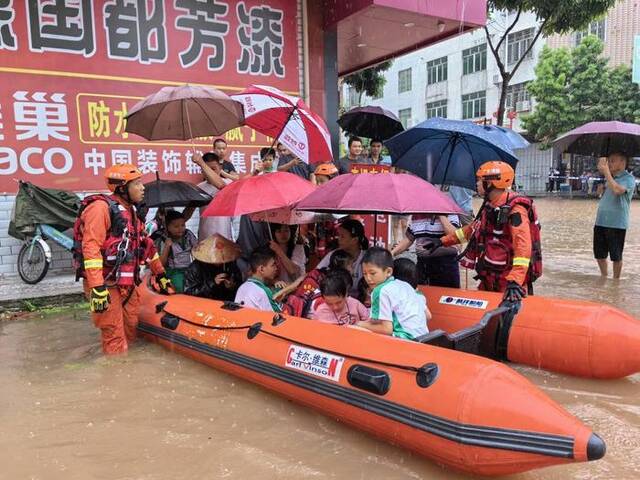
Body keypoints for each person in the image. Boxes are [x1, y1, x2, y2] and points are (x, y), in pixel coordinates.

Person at [73, 164, 173, 355]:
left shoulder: (133, 212)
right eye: (137, 183)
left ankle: (127, 369)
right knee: (114, 335)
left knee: (131, 327)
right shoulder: (100, 209)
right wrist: (97, 287)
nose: (143, 188)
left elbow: (146, 247)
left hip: (127, 284)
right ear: (122, 187)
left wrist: (160, 274)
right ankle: (116, 374)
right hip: (106, 285)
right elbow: (91, 247)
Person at [430, 161, 542, 302]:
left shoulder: (516, 210)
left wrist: (515, 280)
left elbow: (523, 246)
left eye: (479, 181)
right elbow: (471, 231)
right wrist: (442, 241)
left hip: (510, 284)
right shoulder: (490, 206)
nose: (476, 185)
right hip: (490, 278)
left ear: (490, 183)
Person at [356, 248, 430, 339]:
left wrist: (359, 324)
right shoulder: (404, 285)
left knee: (355, 329)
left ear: (388, 272)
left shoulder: (380, 291)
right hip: (424, 337)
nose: (368, 278)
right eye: (364, 274)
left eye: (372, 273)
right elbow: (428, 316)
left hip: (407, 338)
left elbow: (387, 329)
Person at [593, 153, 636, 279]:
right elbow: (605, 195)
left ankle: (616, 280)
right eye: (608, 161)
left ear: (622, 163)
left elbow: (617, 190)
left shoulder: (629, 179)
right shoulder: (609, 178)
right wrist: (600, 191)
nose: (609, 164)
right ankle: (604, 276)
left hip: (616, 223)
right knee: (599, 255)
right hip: (601, 221)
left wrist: (606, 173)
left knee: (616, 256)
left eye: (612, 161)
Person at [391, 213, 461, 288]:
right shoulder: (417, 215)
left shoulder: (451, 214)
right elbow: (409, 238)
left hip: (446, 264)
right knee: (423, 293)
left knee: (445, 295)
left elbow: (456, 237)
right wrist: (392, 253)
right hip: (423, 264)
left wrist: (441, 215)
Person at [278, 249, 353, 318]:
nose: (352, 268)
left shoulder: (321, 274)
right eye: (350, 265)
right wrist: (284, 291)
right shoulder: (322, 278)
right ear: (342, 267)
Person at [315, 218, 369, 296]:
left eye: (342, 236)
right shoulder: (333, 255)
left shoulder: (367, 257)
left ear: (355, 240)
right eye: (338, 235)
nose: (338, 239)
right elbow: (317, 273)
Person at [183, 234, 243, 301]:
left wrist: (231, 286)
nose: (220, 262)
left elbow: (239, 285)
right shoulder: (195, 268)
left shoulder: (230, 264)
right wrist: (212, 283)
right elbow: (189, 293)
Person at [155, 209, 197, 293]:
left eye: (183, 225)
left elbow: (198, 250)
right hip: (173, 271)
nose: (181, 229)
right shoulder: (163, 239)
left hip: (189, 268)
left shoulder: (188, 234)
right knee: (181, 287)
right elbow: (161, 264)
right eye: (176, 226)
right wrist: (167, 246)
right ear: (167, 227)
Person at [195, 152, 233, 241]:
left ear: (220, 168)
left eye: (213, 169)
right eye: (207, 169)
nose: (210, 172)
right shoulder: (198, 188)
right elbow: (189, 211)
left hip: (225, 236)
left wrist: (201, 163)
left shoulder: (228, 184)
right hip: (205, 238)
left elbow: (221, 186)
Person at [235, 245, 281, 312]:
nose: (276, 268)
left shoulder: (242, 287)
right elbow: (279, 315)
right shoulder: (263, 291)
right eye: (273, 265)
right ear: (261, 269)